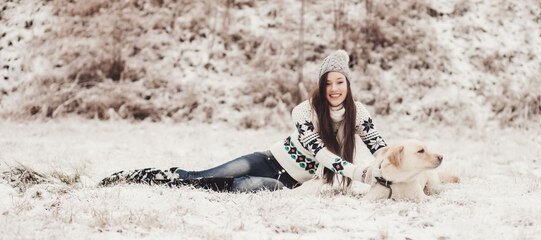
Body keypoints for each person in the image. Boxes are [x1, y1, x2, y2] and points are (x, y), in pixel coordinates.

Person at [100, 50, 388, 192]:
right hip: (266, 159)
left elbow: (382, 150)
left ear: (348, 86)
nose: (335, 89)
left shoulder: (358, 113)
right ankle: (136, 178)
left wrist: (399, 171)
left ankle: (209, 187)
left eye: (340, 82)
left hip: (285, 181)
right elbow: (319, 153)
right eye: (329, 83)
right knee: (199, 176)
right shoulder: (305, 110)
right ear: (321, 87)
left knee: (239, 186)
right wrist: (357, 173)